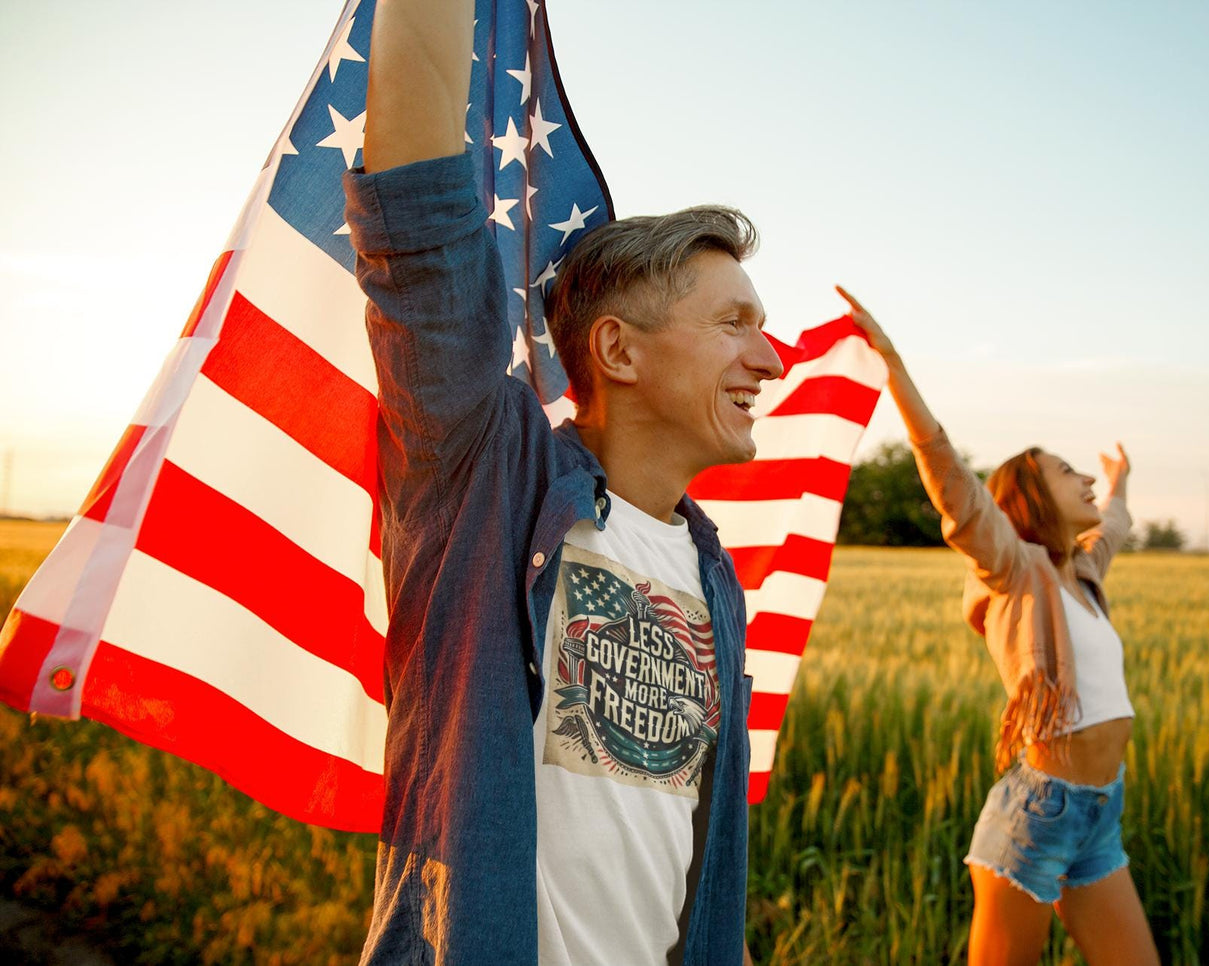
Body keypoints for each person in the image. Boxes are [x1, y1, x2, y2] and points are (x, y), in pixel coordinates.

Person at [343, 1, 780, 962]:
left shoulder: (715, 578)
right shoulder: (484, 475)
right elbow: (417, 216)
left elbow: (694, 867)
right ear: (617, 350)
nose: (771, 359)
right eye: (733, 323)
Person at [837, 287, 1160, 966]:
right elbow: (948, 475)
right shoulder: (1013, 569)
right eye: (1067, 472)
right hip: (1037, 817)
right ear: (1032, 495)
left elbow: (1116, 527)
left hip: (1100, 815)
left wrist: (1120, 479)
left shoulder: (1085, 575)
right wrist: (893, 365)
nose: (1086, 483)